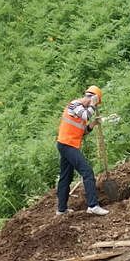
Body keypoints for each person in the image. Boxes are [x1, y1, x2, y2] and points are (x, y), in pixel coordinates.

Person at [55, 85, 109, 217]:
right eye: (95, 104)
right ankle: (93, 206)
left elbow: (83, 131)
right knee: (87, 172)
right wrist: (93, 105)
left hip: (67, 144)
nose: (94, 107)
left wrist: (92, 125)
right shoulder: (75, 104)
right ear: (91, 98)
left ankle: (61, 210)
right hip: (67, 144)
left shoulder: (81, 110)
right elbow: (85, 115)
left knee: (65, 177)